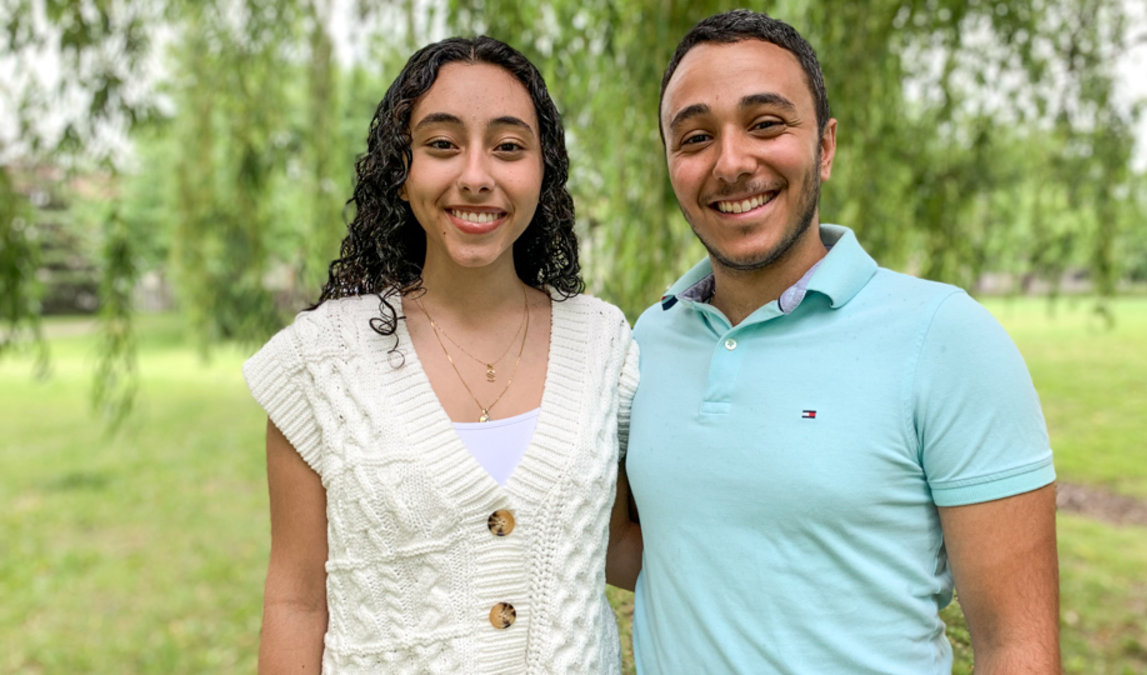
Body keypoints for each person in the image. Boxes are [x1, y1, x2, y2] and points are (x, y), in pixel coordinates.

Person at [616, 10, 1060, 674]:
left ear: (825, 147)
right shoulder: (648, 340)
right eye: (696, 136)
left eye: (766, 124)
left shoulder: (946, 337)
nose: (732, 162)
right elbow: (659, 550)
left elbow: (1016, 646)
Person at [243, 36, 637, 674]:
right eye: (442, 145)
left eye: (509, 147)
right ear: (400, 174)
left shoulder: (603, 343)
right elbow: (296, 600)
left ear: (544, 174)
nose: (476, 176)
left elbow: (617, 541)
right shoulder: (320, 363)